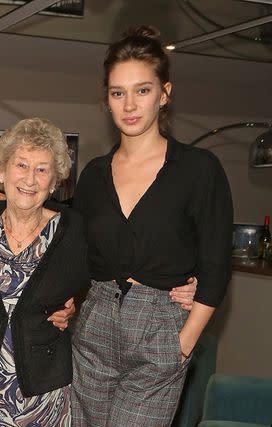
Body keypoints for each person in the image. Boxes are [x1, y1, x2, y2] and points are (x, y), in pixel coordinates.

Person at [70, 25, 233, 426]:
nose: (129, 104)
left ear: (164, 94)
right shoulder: (92, 175)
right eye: (117, 92)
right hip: (94, 331)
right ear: (106, 100)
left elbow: (216, 262)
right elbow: (73, 252)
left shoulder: (199, 170)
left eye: (142, 90)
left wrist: (184, 342)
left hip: (160, 330)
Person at [0, 118, 89, 426]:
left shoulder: (71, 230)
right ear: (1, 171)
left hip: (43, 389)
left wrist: (74, 306)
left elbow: (93, 281)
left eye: (42, 169)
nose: (30, 179)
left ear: (54, 182)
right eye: (21, 165)